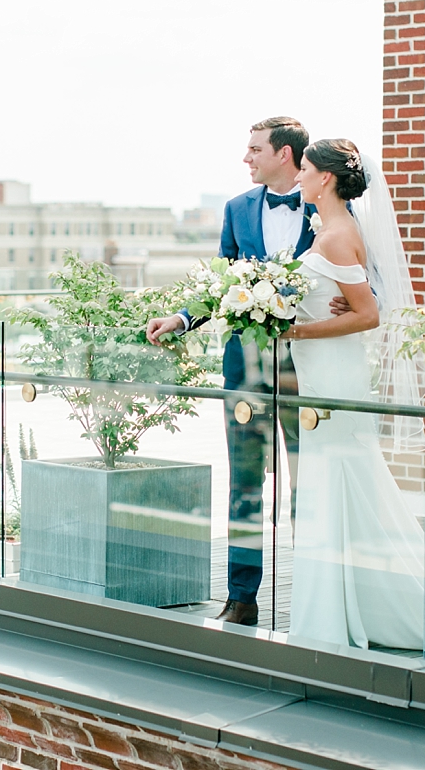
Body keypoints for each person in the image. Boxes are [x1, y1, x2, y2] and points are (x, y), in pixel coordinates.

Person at [145, 116, 325, 627]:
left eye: (254, 149)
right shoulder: (237, 209)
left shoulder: (329, 205)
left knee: (307, 482)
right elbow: (221, 282)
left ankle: (314, 595)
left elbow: (356, 277)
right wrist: (181, 319)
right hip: (243, 367)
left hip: (305, 367)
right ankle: (241, 598)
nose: (246, 158)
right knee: (244, 484)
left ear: (284, 155)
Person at [280, 138, 425, 650]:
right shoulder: (334, 230)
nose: (298, 177)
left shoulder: (337, 235)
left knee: (339, 476)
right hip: (325, 370)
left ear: (325, 178)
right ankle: (345, 607)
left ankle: (343, 617)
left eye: (303, 169)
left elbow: (368, 314)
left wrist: (295, 332)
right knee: (339, 482)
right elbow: (357, 300)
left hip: (333, 378)